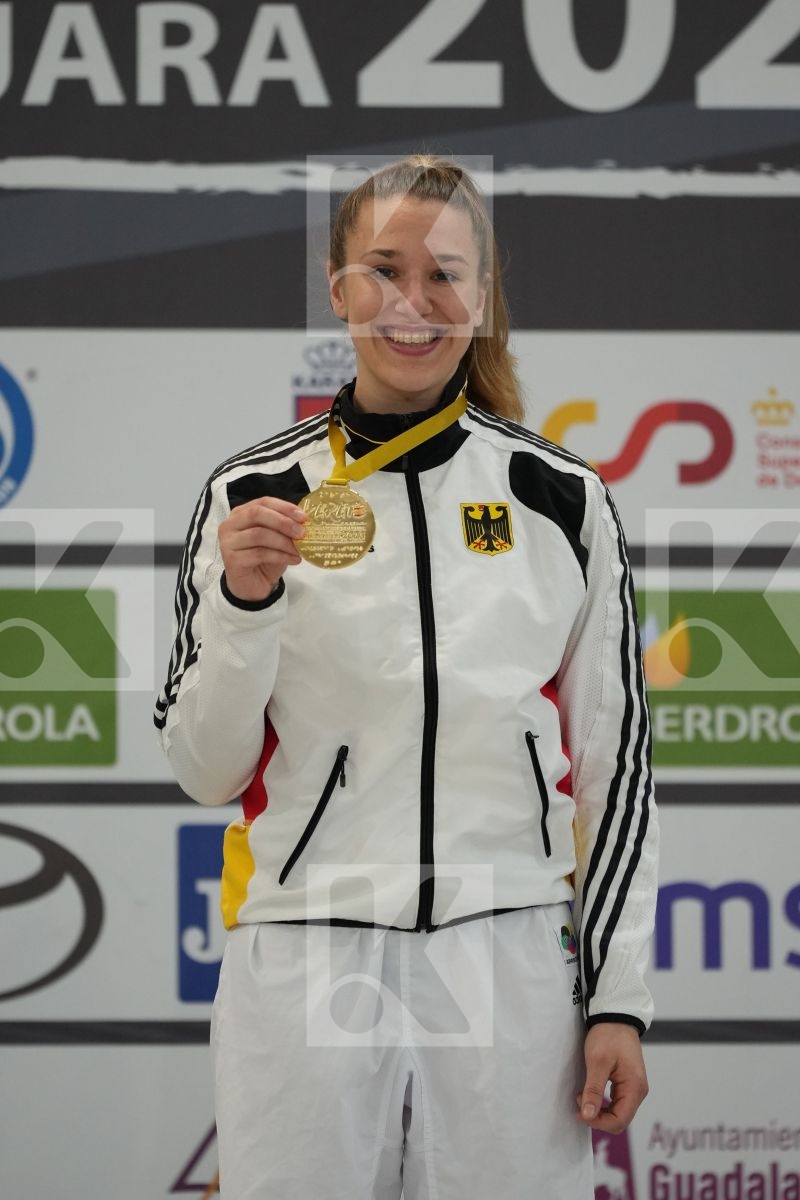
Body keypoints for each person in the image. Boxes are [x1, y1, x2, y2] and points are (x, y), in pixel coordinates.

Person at [154, 154, 658, 1199]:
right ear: (337, 289)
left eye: (443, 275)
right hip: (305, 952)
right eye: (383, 270)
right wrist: (244, 605)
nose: (412, 303)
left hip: (509, 954)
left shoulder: (557, 497)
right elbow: (205, 769)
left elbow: (617, 775)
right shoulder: (252, 493)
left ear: (482, 295)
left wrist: (616, 1000)